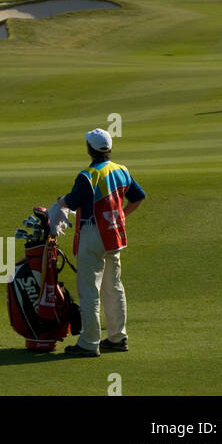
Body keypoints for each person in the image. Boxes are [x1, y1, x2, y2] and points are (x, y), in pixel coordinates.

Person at [57, 128, 147, 357]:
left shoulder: (88, 175)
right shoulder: (121, 170)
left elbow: (72, 200)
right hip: (114, 235)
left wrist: (60, 202)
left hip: (92, 234)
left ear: (90, 149)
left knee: (89, 291)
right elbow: (138, 197)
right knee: (113, 287)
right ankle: (118, 338)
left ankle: (89, 342)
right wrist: (122, 215)